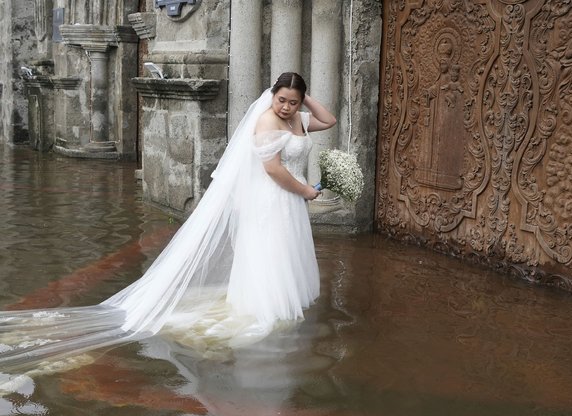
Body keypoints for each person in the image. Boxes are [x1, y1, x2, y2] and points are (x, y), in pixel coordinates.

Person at [0, 72, 336, 378]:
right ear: (271, 95)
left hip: (290, 200)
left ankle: (283, 300)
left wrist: (304, 99)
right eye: (282, 99)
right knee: (271, 252)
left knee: (286, 251)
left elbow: (330, 120)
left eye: (293, 101)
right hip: (273, 199)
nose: (286, 107)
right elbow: (274, 170)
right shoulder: (266, 123)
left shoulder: (298, 120)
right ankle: (269, 304)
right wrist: (307, 191)